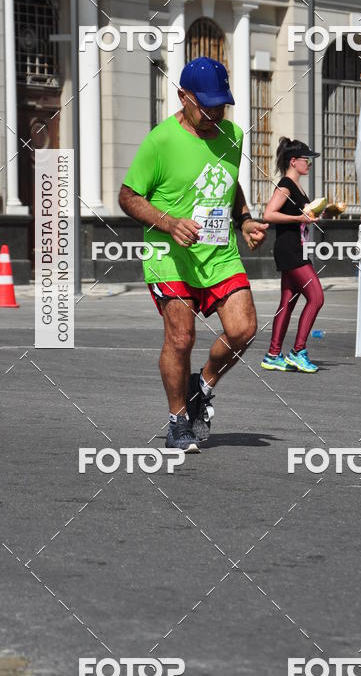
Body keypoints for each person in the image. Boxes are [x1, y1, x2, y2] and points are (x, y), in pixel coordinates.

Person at [118, 56, 268, 453]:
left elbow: (228, 182)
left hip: (218, 252)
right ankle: (178, 420)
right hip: (169, 254)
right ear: (183, 97)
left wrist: (246, 219)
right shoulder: (161, 140)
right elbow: (128, 197)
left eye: (221, 104)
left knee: (244, 329)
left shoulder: (232, 135)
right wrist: (168, 223)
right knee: (181, 337)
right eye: (207, 105)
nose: (215, 113)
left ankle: (201, 386)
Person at [261, 137, 324, 374]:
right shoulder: (285, 185)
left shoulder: (297, 186)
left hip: (298, 247)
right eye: (306, 159)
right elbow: (268, 214)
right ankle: (298, 352)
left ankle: (273, 354)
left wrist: (315, 214)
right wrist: (299, 218)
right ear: (293, 161)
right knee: (316, 297)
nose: (309, 163)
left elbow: (303, 216)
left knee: (287, 303)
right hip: (290, 250)